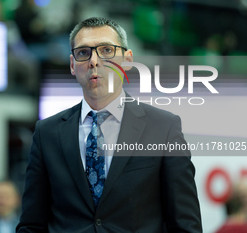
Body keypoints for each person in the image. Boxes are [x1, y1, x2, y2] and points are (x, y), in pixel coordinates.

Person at [16, 17, 202, 232]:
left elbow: (185, 225)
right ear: (72, 65)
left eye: (106, 50)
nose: (94, 61)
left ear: (128, 60)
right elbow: (32, 224)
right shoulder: (47, 133)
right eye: (84, 53)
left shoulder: (164, 127)